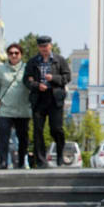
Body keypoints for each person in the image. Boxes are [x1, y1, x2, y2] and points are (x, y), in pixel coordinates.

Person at [23, 36, 71, 168]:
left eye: (46, 46)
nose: (44, 49)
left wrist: (54, 78)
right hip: (39, 99)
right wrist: (37, 85)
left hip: (55, 98)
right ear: (38, 47)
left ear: (51, 46)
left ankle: (60, 154)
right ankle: (41, 160)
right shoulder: (33, 62)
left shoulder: (59, 60)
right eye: (41, 46)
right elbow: (26, 80)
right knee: (38, 130)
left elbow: (67, 77)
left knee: (56, 129)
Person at [0, 43, 31, 169]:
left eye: (16, 53)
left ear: (21, 55)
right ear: (8, 55)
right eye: (11, 53)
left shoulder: (27, 68)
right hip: (5, 110)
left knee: (23, 138)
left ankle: (22, 162)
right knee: (3, 136)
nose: (13, 55)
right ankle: (3, 162)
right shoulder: (1, 70)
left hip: (22, 109)